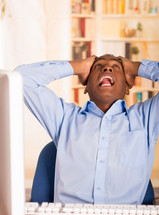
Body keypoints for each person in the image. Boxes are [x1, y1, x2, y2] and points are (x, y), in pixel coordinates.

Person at [16, 54, 159, 205]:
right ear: (86, 86)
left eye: (116, 67)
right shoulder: (65, 118)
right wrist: (77, 67)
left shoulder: (145, 119)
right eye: (98, 66)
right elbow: (20, 78)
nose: (107, 68)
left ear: (127, 87)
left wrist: (135, 68)